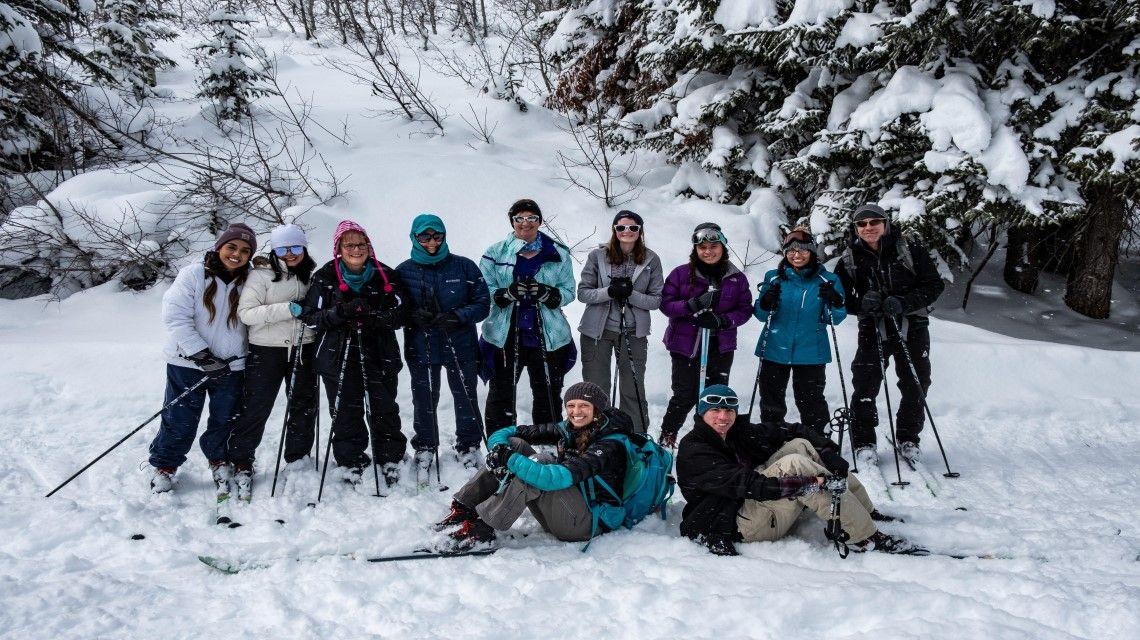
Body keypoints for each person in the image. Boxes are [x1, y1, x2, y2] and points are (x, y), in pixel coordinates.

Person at [676, 385, 922, 556]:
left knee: (800, 446)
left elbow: (792, 430)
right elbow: (753, 485)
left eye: (729, 410)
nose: (723, 417)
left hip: (751, 503)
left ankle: (866, 512)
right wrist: (810, 483)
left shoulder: (737, 432)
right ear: (701, 413)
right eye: (715, 411)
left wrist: (828, 454)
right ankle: (864, 537)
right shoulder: (695, 450)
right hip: (738, 523)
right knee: (794, 463)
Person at [433, 382, 632, 549]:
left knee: (541, 464)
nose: (576, 412)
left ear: (597, 409)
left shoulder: (609, 444)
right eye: (571, 405)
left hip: (587, 522)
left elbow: (557, 478)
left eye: (584, 406)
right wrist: (501, 450)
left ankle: (482, 530)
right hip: (570, 506)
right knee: (515, 444)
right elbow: (509, 433)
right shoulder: (572, 428)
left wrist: (509, 459)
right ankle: (465, 507)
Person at [833, 204, 945, 467]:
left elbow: (934, 285)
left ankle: (908, 438)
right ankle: (864, 441)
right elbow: (840, 298)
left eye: (874, 222)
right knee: (865, 384)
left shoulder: (909, 250)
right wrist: (862, 304)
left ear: (886, 223)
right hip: (873, 327)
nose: (868, 228)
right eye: (862, 224)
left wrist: (904, 302)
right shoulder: (849, 258)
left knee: (916, 382)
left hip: (912, 325)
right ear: (855, 228)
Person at [299, 220, 408, 487]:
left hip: (380, 352)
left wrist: (375, 317)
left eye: (361, 244)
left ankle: (390, 456)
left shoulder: (385, 274)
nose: (356, 249)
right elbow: (310, 316)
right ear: (338, 248)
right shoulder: (325, 277)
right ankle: (351, 460)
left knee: (384, 407)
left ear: (369, 247)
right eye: (349, 245)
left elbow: (402, 312)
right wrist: (339, 314)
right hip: (337, 354)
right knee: (346, 410)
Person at [149, 223, 256, 494]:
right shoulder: (193, 274)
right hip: (187, 363)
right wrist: (202, 355)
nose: (237, 254)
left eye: (245, 250)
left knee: (225, 418)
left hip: (232, 366)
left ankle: (219, 459)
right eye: (231, 247)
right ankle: (166, 465)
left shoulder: (252, 280)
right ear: (219, 247)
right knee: (179, 418)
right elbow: (175, 316)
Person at [224, 223, 318, 500]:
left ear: (303, 248)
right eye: (283, 248)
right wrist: (287, 309)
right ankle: (241, 459)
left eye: (295, 247)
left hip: (304, 346)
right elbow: (247, 314)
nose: (290, 254)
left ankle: (298, 458)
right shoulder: (260, 276)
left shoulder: (312, 275)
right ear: (274, 250)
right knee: (256, 405)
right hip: (266, 350)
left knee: (303, 405)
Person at [396, 213, 491, 478]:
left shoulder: (464, 267)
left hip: (459, 342)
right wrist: (413, 315)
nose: (432, 242)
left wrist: (457, 316)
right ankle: (426, 445)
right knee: (424, 397)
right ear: (415, 237)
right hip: (422, 343)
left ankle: (469, 444)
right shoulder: (404, 271)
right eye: (425, 236)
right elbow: (395, 308)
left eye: (437, 236)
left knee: (465, 396)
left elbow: (483, 303)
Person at [479, 199, 576, 435]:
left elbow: (569, 290)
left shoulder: (558, 253)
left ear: (540, 222)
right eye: (519, 218)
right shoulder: (495, 252)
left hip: (547, 333)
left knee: (548, 392)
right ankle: (499, 443)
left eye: (532, 218)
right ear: (512, 222)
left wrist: (550, 294)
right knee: (502, 392)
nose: (525, 223)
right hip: (506, 333)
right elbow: (484, 288)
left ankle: (546, 441)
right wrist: (504, 294)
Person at [658, 222, 753, 446]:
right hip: (686, 345)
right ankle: (668, 435)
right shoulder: (682, 274)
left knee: (714, 396)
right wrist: (690, 306)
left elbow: (745, 309)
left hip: (720, 345)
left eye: (713, 246)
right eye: (702, 248)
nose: (708, 251)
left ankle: (707, 439)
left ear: (722, 246)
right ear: (696, 250)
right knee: (684, 395)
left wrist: (723, 321)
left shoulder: (735, 277)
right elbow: (666, 304)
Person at [576, 210, 663, 434]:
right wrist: (610, 292)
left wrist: (631, 294)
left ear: (640, 231)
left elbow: (656, 300)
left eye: (633, 228)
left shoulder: (651, 259)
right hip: (598, 330)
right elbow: (583, 293)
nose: (627, 232)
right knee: (595, 388)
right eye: (621, 227)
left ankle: (635, 436)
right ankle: (594, 435)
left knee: (632, 389)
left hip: (633, 331)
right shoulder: (598, 256)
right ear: (614, 230)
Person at [754, 227, 847, 434]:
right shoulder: (773, 278)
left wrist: (836, 301)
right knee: (771, 402)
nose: (797, 255)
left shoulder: (827, 280)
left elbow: (834, 319)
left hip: (811, 352)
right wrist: (766, 302)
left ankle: (818, 443)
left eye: (803, 250)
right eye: (791, 251)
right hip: (774, 349)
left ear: (812, 252)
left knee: (811, 403)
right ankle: (771, 439)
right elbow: (761, 315)